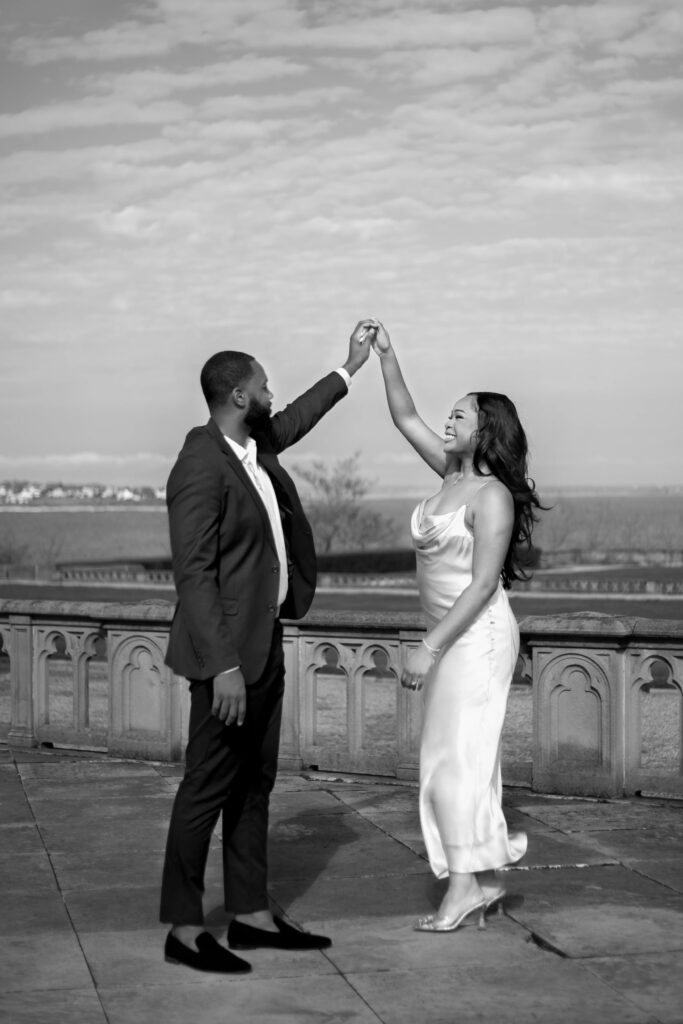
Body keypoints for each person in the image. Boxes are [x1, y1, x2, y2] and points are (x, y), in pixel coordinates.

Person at [160, 322, 375, 973]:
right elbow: (193, 575)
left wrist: (349, 367)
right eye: (262, 387)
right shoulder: (200, 464)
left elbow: (298, 417)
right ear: (235, 394)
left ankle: (250, 915)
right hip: (227, 659)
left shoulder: (254, 447)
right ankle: (183, 926)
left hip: (266, 647)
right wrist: (222, 665)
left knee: (254, 786)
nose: (271, 395)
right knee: (205, 787)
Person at [369, 319, 542, 933]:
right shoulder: (448, 475)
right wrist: (388, 355)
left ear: (486, 430)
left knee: (455, 758)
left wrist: (428, 647)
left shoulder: (491, 495)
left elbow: (484, 583)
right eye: (451, 414)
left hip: (477, 635)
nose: (448, 422)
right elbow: (404, 415)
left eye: (461, 417)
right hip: (445, 636)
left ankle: (465, 886)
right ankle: (474, 879)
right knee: (445, 757)